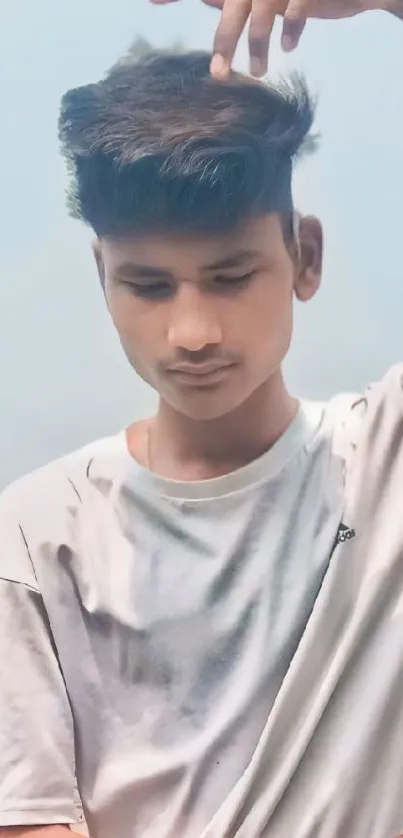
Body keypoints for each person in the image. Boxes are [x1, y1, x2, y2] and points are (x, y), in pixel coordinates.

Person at [1, 2, 402, 837]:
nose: (191, 334)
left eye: (228, 276)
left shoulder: (384, 462)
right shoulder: (36, 539)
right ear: (100, 275)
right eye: (147, 286)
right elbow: (31, 820)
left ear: (306, 257)